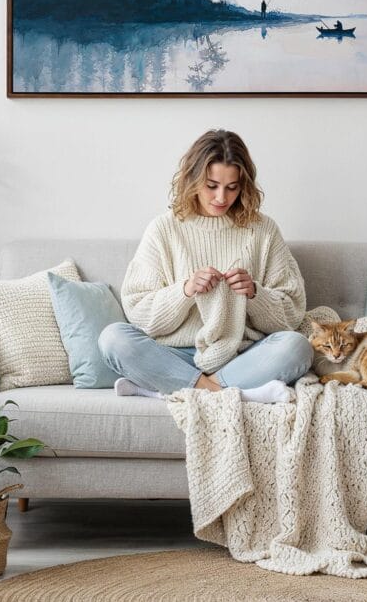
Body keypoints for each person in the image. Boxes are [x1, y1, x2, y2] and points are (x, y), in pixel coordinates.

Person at [99, 129, 313, 404]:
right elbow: (139, 312)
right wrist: (185, 291)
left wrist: (255, 294)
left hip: (241, 357)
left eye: (232, 187)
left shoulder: (263, 230)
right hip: (177, 356)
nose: (221, 198)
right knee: (113, 339)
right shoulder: (164, 228)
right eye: (211, 186)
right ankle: (233, 394)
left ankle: (169, 390)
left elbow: (292, 312)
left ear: (243, 185)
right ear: (193, 179)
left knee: (297, 347)